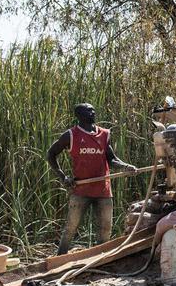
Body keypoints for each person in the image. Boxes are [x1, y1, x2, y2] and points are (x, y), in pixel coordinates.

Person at [47, 102, 137, 255]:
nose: (93, 113)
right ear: (79, 115)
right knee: (71, 227)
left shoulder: (103, 134)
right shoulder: (71, 135)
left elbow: (112, 159)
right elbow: (51, 154)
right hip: (80, 190)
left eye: (93, 110)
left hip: (103, 190)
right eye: (89, 111)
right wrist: (63, 177)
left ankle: (99, 258)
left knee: (105, 228)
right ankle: (59, 258)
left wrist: (125, 166)